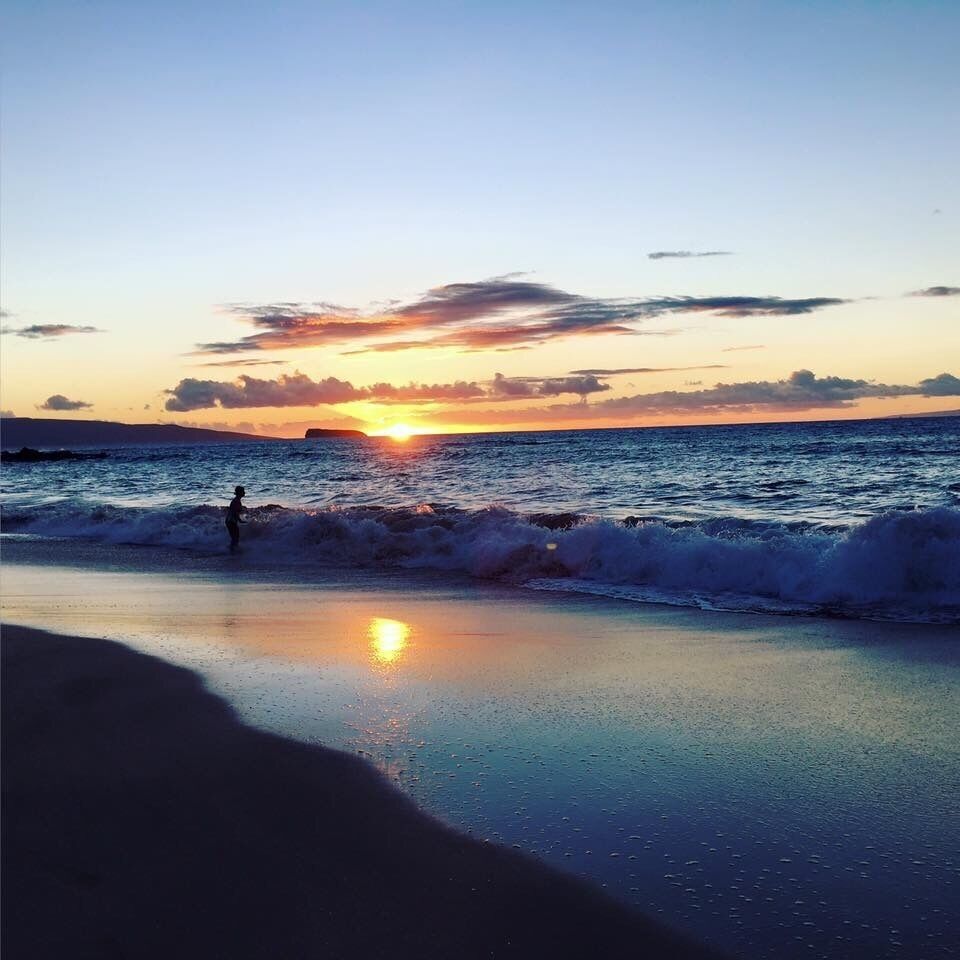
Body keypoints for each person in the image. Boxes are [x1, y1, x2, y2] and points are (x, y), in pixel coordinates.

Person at [226, 485, 246, 552]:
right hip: (231, 521)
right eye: (243, 491)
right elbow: (235, 512)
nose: (244, 493)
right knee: (235, 537)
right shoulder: (236, 501)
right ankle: (232, 551)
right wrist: (240, 520)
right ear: (239, 492)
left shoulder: (236, 500)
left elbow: (235, 511)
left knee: (235, 537)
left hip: (230, 521)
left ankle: (232, 550)